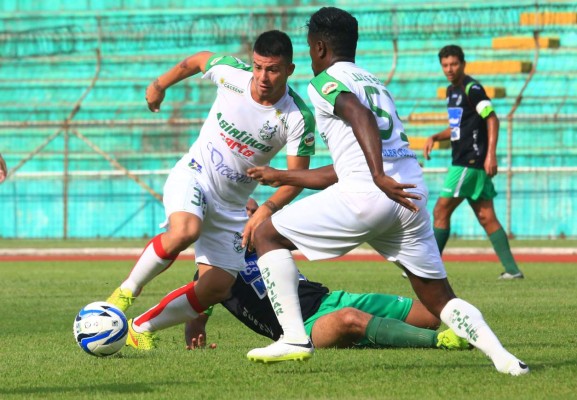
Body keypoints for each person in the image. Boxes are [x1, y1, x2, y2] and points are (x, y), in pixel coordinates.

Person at [245, 7, 528, 376]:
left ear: (317, 48)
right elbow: (344, 167)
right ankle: (505, 359)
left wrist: (377, 176)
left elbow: (358, 116)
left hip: (371, 193)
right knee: (441, 299)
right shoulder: (376, 82)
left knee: (267, 234)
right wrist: (284, 175)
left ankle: (295, 338)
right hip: (408, 197)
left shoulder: (325, 82)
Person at [106, 30, 316, 349]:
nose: (262, 76)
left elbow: (296, 178)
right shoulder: (231, 74)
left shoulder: (297, 117)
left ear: (290, 70)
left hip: (232, 206)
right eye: (258, 67)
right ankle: (124, 294)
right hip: (195, 174)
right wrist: (159, 85)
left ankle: (139, 328)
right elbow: (197, 60)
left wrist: (264, 209)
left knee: (217, 286)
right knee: (185, 230)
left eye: (272, 69)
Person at [185, 198, 470, 352]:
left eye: (255, 212)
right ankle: (438, 343)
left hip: (330, 298)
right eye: (248, 213)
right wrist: (195, 329)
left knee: (434, 314)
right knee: (349, 319)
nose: (254, 217)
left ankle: (468, 330)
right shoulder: (215, 268)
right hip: (305, 328)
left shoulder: (268, 241)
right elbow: (198, 303)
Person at [423, 44, 523, 280]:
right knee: (487, 216)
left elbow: (492, 118)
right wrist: (436, 136)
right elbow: (458, 127)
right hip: (469, 162)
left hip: (468, 162)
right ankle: (512, 271)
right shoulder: (451, 91)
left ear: (463, 64)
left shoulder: (472, 88)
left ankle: (427, 269)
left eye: (454, 64)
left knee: (440, 210)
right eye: (445, 65)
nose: (449, 69)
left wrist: (491, 154)